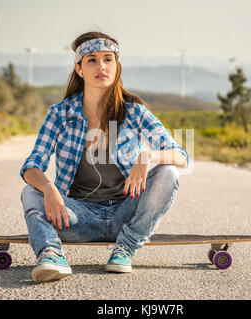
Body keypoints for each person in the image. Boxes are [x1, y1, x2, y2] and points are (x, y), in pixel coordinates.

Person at [20, 31, 190, 283]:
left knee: (169, 172)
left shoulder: (134, 111)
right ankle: (52, 255)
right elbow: (31, 165)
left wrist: (148, 156)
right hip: (76, 216)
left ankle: (125, 249)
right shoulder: (60, 114)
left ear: (116, 66)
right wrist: (48, 188)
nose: (101, 66)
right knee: (31, 191)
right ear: (79, 69)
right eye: (92, 60)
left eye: (108, 59)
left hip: (127, 213)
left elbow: (181, 156)